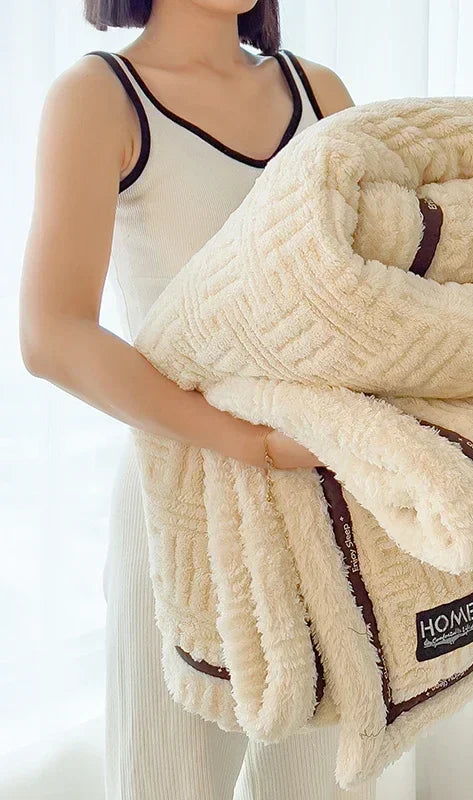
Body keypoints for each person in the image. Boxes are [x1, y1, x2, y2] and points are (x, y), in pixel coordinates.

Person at [17, 1, 378, 797]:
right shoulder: (101, 97)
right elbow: (51, 334)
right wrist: (250, 443)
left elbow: (376, 293)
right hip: (183, 505)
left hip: (323, 500)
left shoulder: (319, 93)